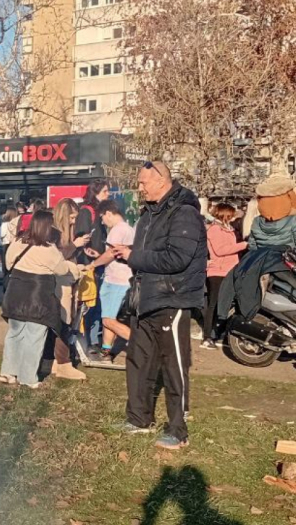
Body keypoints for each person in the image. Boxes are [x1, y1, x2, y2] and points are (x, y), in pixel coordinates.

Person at [111, 161, 207, 450]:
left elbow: (177, 259)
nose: (139, 188)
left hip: (172, 298)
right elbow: (147, 255)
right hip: (146, 297)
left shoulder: (184, 214)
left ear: (163, 181)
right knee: (137, 360)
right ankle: (138, 419)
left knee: (174, 367)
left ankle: (178, 431)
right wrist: (128, 256)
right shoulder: (149, 214)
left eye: (143, 183)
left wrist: (133, 257)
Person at [0, 210, 80, 388]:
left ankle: (7, 371)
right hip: (38, 295)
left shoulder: (18, 242)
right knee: (34, 336)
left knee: (14, 333)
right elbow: (60, 270)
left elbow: (7, 263)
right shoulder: (49, 249)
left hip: (16, 291)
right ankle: (27, 377)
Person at [49, 198, 89, 381]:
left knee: (66, 322)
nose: (74, 221)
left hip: (69, 280)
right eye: (71, 218)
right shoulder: (55, 234)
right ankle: (63, 362)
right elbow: (55, 259)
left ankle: (58, 361)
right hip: (60, 283)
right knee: (64, 322)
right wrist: (75, 245)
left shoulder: (63, 234)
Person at [88, 199, 135, 359]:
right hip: (126, 278)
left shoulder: (116, 230)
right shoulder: (129, 229)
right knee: (110, 316)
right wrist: (100, 256)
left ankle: (142, 344)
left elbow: (110, 254)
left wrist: (93, 264)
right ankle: (107, 350)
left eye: (102, 217)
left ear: (109, 213)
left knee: (107, 320)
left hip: (115, 280)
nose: (102, 221)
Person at [202, 203, 247, 349]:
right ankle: (207, 336)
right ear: (226, 215)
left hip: (230, 270)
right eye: (232, 214)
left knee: (225, 304)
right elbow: (220, 250)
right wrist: (243, 245)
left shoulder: (231, 230)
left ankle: (218, 332)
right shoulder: (215, 229)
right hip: (218, 271)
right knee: (213, 304)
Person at [75, 179, 111, 352]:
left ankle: (95, 340)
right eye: (105, 191)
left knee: (98, 303)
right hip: (90, 265)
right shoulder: (86, 211)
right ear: (95, 192)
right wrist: (89, 254)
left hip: (100, 262)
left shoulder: (101, 212)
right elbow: (81, 239)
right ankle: (85, 340)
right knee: (89, 303)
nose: (108, 194)